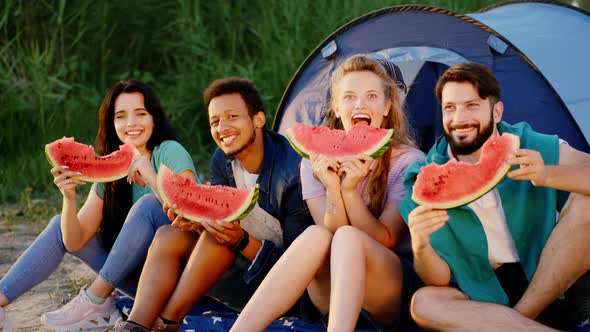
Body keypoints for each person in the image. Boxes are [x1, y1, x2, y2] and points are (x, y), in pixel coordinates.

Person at [231, 55, 425, 332]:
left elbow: (388, 239)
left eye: (371, 96)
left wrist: (350, 191)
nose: (359, 104)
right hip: (332, 295)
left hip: (388, 293)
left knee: (347, 236)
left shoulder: (409, 161)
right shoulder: (314, 160)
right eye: (349, 97)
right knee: (316, 234)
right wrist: (334, 187)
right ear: (336, 106)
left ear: (386, 107)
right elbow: (329, 230)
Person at [108, 77, 313, 332]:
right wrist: (196, 221)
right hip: (235, 268)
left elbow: (298, 269)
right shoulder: (222, 159)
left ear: (258, 120)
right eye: (215, 121)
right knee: (169, 234)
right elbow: (218, 216)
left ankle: (168, 323)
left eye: (232, 117)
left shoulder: (293, 174)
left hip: (280, 289)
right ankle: (136, 325)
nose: (222, 127)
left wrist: (240, 240)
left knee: (219, 237)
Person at [401, 62, 590, 331]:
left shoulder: (526, 143)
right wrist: (420, 245)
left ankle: (517, 321)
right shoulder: (423, 178)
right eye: (450, 108)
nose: (459, 118)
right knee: (424, 303)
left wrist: (547, 173)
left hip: (551, 273)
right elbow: (439, 279)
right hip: (484, 290)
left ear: (497, 111)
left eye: (471, 105)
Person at [0, 80, 197, 331]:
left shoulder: (169, 151)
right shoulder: (111, 171)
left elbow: (190, 209)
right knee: (59, 224)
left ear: (154, 119)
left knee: (149, 204)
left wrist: (149, 175)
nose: (131, 124)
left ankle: (94, 298)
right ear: (111, 123)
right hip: (134, 282)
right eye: (121, 116)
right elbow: (74, 241)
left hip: (177, 280)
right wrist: (68, 197)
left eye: (140, 114)